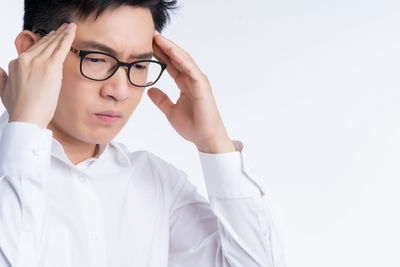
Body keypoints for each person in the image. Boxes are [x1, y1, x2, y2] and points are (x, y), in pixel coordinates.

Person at [0, 0, 286, 266]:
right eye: (97, 59)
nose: (120, 90)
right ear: (30, 50)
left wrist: (214, 141)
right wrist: (26, 125)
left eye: (138, 65)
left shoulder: (156, 182)